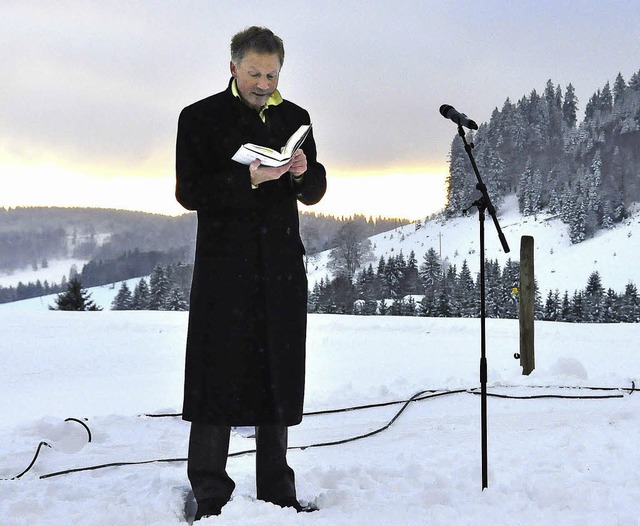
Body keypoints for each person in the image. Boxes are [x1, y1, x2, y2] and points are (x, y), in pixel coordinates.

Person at [175, 26, 326, 520]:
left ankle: (277, 492)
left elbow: (315, 190)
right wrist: (248, 179)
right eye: (255, 72)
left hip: (280, 265)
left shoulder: (295, 118)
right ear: (233, 67)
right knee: (215, 375)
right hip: (224, 270)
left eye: (272, 73)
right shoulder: (198, 118)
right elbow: (190, 192)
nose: (264, 82)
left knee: (276, 375)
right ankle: (210, 494)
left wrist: (302, 171)